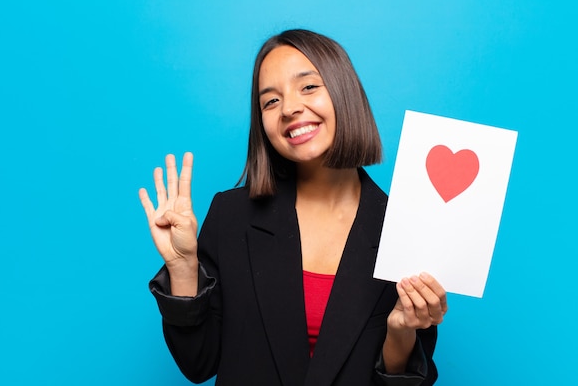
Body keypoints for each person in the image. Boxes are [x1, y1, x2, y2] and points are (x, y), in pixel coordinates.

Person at [139, 29, 447, 386]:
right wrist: (182, 269)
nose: (289, 108)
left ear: (344, 92)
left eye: (309, 87)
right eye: (270, 101)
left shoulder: (407, 230)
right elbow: (199, 363)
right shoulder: (231, 216)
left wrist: (400, 334)